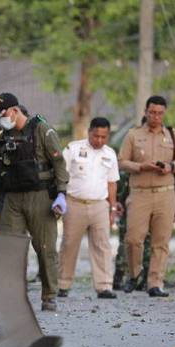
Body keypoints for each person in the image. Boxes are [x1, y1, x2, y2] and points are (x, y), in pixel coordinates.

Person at [0, 93, 69, 311]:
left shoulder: (41, 129)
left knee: (45, 247)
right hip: (13, 198)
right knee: (10, 247)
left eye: (3, 114)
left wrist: (61, 193)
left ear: (15, 110)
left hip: (40, 196)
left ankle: (49, 295)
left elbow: (59, 163)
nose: (1, 119)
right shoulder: (4, 136)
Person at [118, 95, 175, 297]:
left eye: (159, 113)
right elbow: (121, 161)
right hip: (139, 194)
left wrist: (171, 166)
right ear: (146, 112)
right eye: (152, 112)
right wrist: (140, 166)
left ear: (164, 113)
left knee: (161, 241)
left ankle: (155, 283)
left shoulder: (173, 135)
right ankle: (134, 275)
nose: (156, 116)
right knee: (133, 239)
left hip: (165, 194)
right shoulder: (133, 135)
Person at [57, 117, 119, 299]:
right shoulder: (73, 149)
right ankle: (63, 284)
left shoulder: (110, 154)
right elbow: (61, 174)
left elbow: (112, 183)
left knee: (102, 246)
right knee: (69, 244)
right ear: (89, 132)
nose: (99, 140)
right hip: (74, 203)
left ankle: (104, 286)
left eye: (103, 137)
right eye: (96, 136)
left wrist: (113, 208)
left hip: (100, 205)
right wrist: (59, 198)